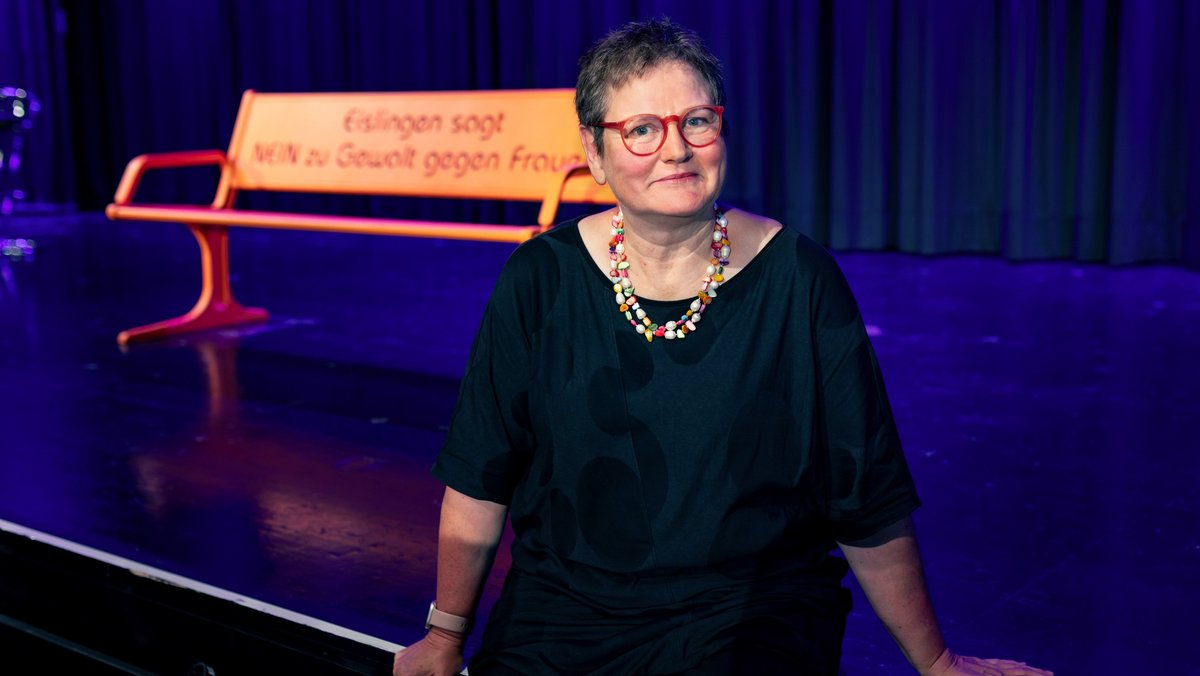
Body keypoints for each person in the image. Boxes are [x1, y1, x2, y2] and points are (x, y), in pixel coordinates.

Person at [395, 18, 1052, 676]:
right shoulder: (540, 278)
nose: (676, 149)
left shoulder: (799, 280)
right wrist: (445, 636)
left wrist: (937, 663)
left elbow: (865, 500)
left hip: (749, 615)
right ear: (594, 152)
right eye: (642, 129)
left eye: (697, 121)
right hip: (566, 614)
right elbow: (479, 478)